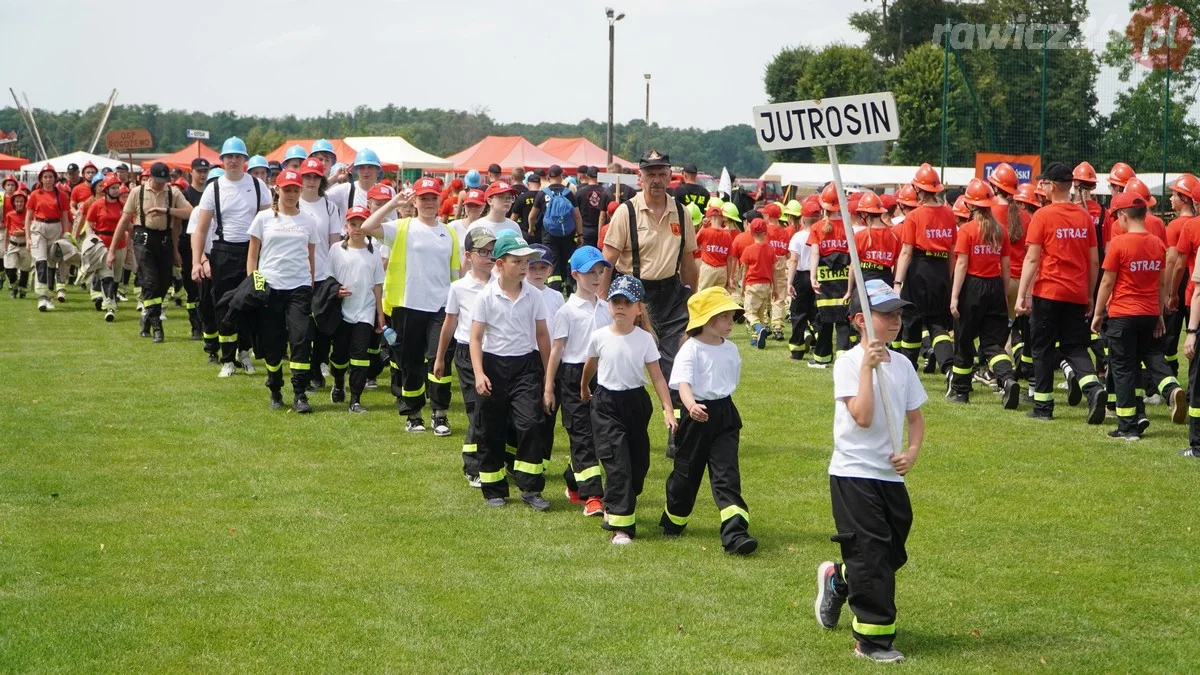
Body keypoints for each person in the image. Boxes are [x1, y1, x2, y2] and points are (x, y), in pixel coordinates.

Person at [815, 278, 926, 664]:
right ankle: (872, 640)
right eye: (886, 314)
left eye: (898, 314)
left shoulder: (905, 365)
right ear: (861, 320)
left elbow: (915, 418)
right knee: (873, 554)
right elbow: (861, 417)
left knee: (891, 552)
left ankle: (840, 579)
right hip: (853, 472)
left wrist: (911, 453)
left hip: (889, 475)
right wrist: (866, 367)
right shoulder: (847, 362)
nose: (896, 321)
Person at [600, 150, 698, 455]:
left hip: (671, 296)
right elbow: (608, 260)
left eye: (661, 173)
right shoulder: (625, 212)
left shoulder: (682, 212)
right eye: (650, 174)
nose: (656, 180)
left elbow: (688, 262)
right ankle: (613, 424)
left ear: (671, 176)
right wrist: (602, 301)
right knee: (626, 362)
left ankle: (676, 429)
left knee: (676, 362)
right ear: (640, 178)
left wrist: (692, 302)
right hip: (634, 294)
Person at [660, 286, 756, 554]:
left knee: (727, 475)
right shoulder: (690, 349)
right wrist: (690, 407)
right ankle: (674, 520)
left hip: (724, 416)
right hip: (696, 418)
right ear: (705, 320)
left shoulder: (731, 350)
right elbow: (683, 384)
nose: (729, 323)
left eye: (730, 317)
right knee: (686, 476)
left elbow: (731, 381)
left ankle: (736, 534)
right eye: (723, 317)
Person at [582, 275, 677, 543]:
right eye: (616, 301)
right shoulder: (600, 336)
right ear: (609, 305)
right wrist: (584, 388)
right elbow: (590, 365)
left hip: (636, 405)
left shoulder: (644, 339)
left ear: (639, 309)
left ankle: (616, 501)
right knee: (618, 463)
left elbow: (657, 377)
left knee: (638, 467)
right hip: (606, 404)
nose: (620, 307)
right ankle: (621, 528)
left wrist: (667, 409)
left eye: (627, 302)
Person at [361, 177, 459, 434]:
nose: (428, 202)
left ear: (440, 201)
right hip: (407, 304)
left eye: (433, 198)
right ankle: (413, 413)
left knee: (439, 359)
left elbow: (455, 274)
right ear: (414, 201)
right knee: (410, 361)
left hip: (440, 306)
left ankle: (439, 413)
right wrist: (394, 201)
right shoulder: (401, 227)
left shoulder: (448, 232)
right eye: (423, 198)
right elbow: (368, 226)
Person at [1015, 161, 1106, 423]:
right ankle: (1093, 388)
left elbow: (1032, 260)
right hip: (1076, 293)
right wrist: (1089, 295)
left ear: (1052, 186)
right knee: (1076, 347)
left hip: (1048, 292)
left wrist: (1022, 295)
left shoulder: (1042, 216)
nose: (1040, 187)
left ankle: (1043, 406)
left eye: (1043, 183)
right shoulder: (1084, 217)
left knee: (1042, 348)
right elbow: (1094, 261)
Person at [469, 231, 552, 511]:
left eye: (526, 262)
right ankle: (494, 488)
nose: (524, 267)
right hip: (493, 365)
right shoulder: (486, 297)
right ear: (500, 264)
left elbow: (542, 336)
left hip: (526, 367)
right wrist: (479, 374)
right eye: (517, 261)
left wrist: (548, 377)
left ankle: (530, 488)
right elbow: (476, 338)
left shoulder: (534, 296)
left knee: (530, 424)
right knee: (490, 428)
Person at [1092, 191, 1184, 440]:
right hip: (1148, 314)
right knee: (1151, 355)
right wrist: (1159, 313)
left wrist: (1098, 313)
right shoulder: (1157, 243)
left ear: (1122, 216)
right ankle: (1170, 388)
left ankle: (1127, 426)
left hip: (1123, 314)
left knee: (1123, 368)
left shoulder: (1120, 243)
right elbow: (1162, 284)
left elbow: (1107, 283)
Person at [191, 137, 273, 377]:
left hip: (253, 252)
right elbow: (201, 229)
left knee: (251, 303)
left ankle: (244, 352)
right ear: (223, 161)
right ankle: (227, 358)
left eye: (238, 157)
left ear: (245, 160)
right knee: (224, 306)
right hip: (223, 253)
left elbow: (268, 225)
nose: (234, 161)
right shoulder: (213, 188)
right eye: (229, 157)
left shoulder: (259, 187)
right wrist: (197, 261)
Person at [544, 246, 612, 517]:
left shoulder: (607, 308)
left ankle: (573, 479)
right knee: (582, 435)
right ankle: (593, 496)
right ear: (575, 275)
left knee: (598, 435)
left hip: (602, 377)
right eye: (590, 273)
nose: (596, 278)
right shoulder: (567, 311)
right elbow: (557, 350)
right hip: (573, 377)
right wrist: (549, 386)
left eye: (600, 272)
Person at [246, 169, 321, 412]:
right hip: (270, 286)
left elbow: (310, 256)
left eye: (295, 190)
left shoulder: (308, 220)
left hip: (298, 287)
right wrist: (255, 284)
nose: (291, 194)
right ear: (276, 190)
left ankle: (300, 394)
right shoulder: (263, 218)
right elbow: (253, 255)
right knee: (272, 341)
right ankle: (275, 389)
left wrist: (310, 281)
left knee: (300, 339)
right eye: (286, 189)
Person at [433, 228, 497, 487]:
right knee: (476, 409)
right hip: (467, 354)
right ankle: (473, 466)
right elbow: (449, 323)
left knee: (491, 409)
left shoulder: (502, 282)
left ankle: (493, 459)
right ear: (469, 256)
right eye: (483, 252)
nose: (489, 257)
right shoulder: (458, 287)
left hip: (496, 352)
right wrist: (440, 358)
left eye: (493, 251)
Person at [947, 179, 1018, 408]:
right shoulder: (1001, 231)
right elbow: (1005, 267)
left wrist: (955, 296)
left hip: (972, 288)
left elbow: (961, 265)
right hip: (995, 287)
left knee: (964, 339)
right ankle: (1007, 379)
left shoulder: (967, 230)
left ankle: (961, 391)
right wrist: (1003, 293)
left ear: (969, 206)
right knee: (992, 344)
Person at [109, 162, 192, 342]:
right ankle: (157, 327)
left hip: (164, 239)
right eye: (159, 180)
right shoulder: (137, 192)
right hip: (144, 238)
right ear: (150, 177)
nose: (162, 184)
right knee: (150, 282)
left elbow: (190, 212)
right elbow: (124, 221)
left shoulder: (173, 192)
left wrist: (167, 210)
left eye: (165, 180)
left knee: (164, 284)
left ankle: (146, 317)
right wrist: (112, 250)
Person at [892, 163, 957, 377]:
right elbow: (951, 251)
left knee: (912, 322)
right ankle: (948, 368)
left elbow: (906, 252)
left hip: (918, 270)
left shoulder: (914, 216)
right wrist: (947, 278)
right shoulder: (949, 213)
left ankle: (908, 371)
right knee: (938, 324)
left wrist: (897, 283)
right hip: (941, 271)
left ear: (919, 190)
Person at [327, 205, 386, 414]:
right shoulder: (336, 250)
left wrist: (380, 315)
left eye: (362, 224)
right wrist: (336, 291)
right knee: (340, 354)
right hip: (343, 311)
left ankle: (355, 399)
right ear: (346, 226)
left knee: (360, 355)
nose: (358, 228)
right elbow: (328, 279)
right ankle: (338, 380)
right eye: (353, 224)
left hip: (365, 311)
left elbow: (378, 285)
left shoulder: (374, 253)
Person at [299, 157, 344, 389]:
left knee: (324, 329)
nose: (311, 181)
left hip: (323, 276)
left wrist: (336, 277)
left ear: (322, 180)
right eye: (307, 176)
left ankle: (318, 366)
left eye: (315, 177)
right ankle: (305, 372)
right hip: (298, 276)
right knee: (303, 329)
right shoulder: (292, 203)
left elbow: (335, 243)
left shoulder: (329, 206)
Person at [808, 183, 852, 367]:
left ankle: (822, 358)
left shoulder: (817, 227)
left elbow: (815, 254)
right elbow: (851, 257)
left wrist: (812, 277)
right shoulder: (847, 226)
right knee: (843, 319)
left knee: (824, 319)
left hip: (824, 280)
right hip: (843, 280)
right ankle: (843, 356)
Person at [1163, 174, 1198, 377]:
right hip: (1195, 284)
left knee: (1170, 336)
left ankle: (1169, 378)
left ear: (1184, 198)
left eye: (1174, 194)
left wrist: (1169, 292)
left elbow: (1173, 262)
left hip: (1181, 284)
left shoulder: (1176, 226)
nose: (1170, 199)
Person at [528, 165, 582, 293]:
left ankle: (555, 288)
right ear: (562, 176)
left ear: (548, 177)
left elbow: (532, 216)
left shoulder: (543, 194)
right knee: (568, 257)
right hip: (568, 232)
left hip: (549, 234)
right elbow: (577, 217)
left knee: (553, 259)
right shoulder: (569, 193)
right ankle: (569, 281)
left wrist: (531, 228)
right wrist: (580, 235)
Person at [25, 164, 71, 310]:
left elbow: (65, 217)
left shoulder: (61, 196)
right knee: (41, 261)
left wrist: (66, 235)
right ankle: (42, 297)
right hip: (38, 227)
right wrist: (27, 237)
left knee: (53, 261)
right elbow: (28, 218)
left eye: (50, 176)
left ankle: (49, 292)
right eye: (45, 177)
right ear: (41, 179)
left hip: (55, 228)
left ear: (54, 178)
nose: (48, 179)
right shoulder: (34, 195)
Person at [85, 175, 128, 322]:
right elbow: (89, 225)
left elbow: (130, 226)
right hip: (102, 244)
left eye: (117, 188)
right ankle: (109, 306)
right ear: (106, 189)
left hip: (121, 244)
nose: (116, 191)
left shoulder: (124, 206)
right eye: (113, 188)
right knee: (107, 275)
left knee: (116, 277)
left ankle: (111, 299)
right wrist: (92, 240)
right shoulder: (96, 205)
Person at [179, 157, 212, 340]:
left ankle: (205, 324)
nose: (202, 174)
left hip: (209, 246)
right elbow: (178, 222)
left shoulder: (212, 192)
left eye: (205, 171)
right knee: (192, 289)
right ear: (191, 172)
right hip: (188, 244)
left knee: (205, 291)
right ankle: (195, 325)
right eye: (199, 171)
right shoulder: (186, 194)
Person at [786, 196, 819, 360]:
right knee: (816, 313)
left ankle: (797, 350)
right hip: (818, 276)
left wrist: (789, 282)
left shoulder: (797, 237)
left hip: (802, 276)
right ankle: (821, 345)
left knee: (798, 313)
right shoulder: (822, 235)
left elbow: (793, 260)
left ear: (803, 219)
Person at [740, 218, 776, 349]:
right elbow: (774, 271)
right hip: (766, 285)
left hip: (752, 284)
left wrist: (743, 287)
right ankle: (756, 338)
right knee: (760, 313)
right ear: (765, 232)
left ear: (751, 232)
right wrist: (775, 289)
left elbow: (744, 271)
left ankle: (759, 329)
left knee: (749, 312)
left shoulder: (748, 250)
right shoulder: (771, 249)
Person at [327, 149, 383, 216]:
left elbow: (392, 222)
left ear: (377, 169)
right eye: (361, 167)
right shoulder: (345, 190)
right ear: (356, 169)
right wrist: (334, 178)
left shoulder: (386, 191)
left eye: (370, 167)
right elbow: (317, 194)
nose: (366, 171)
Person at [695, 204, 735, 291]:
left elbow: (694, 243)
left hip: (708, 268)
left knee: (703, 295)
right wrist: (729, 278)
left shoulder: (705, 231)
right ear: (721, 218)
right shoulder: (727, 234)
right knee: (718, 296)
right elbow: (729, 259)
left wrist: (702, 227)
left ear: (708, 219)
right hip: (722, 269)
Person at [3, 190, 31, 298]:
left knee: (25, 269)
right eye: (17, 201)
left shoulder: (28, 214)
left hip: (25, 244)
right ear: (14, 202)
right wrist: (5, 247)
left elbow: (32, 228)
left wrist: (24, 232)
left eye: (21, 201)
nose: (19, 203)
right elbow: (6, 231)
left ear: (25, 202)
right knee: (9, 268)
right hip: (13, 244)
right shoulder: (9, 215)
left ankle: (22, 290)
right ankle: (13, 286)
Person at [574, 166, 610, 248]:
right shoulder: (605, 192)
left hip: (585, 229)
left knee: (587, 253)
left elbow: (576, 213)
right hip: (601, 228)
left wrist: (578, 233)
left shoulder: (579, 192)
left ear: (587, 176)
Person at [511, 173, 541, 238]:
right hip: (541, 233)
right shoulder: (544, 197)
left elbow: (513, 218)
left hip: (525, 232)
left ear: (527, 184)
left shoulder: (522, 197)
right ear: (540, 184)